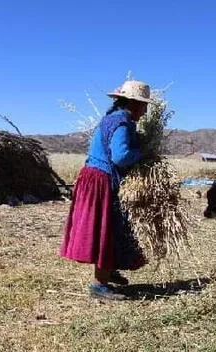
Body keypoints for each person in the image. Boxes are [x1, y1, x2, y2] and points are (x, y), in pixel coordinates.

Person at [59, 80, 151, 300]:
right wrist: (143, 154)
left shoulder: (115, 118)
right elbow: (120, 157)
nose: (145, 111)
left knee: (114, 226)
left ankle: (108, 270)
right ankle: (99, 285)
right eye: (144, 105)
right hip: (101, 181)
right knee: (105, 227)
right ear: (133, 104)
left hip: (96, 177)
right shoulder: (121, 122)